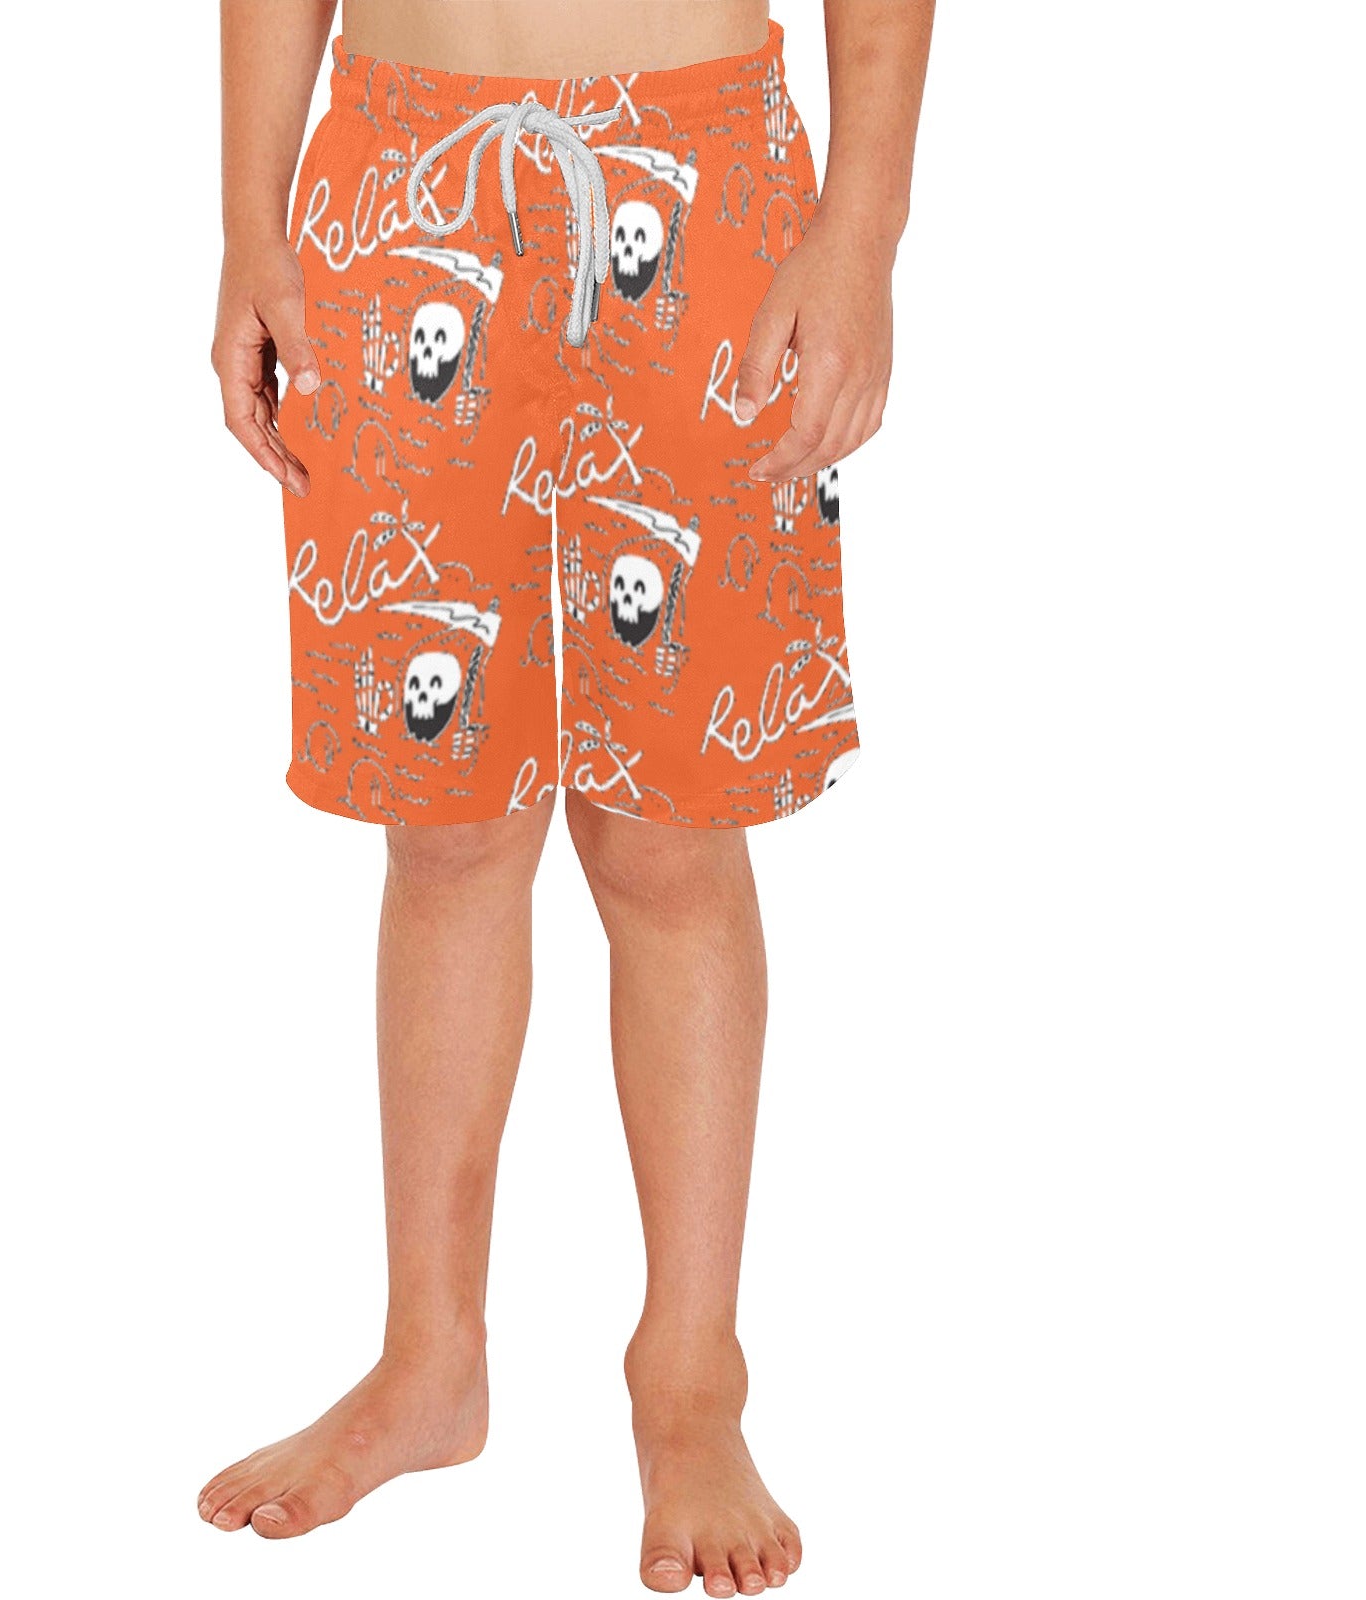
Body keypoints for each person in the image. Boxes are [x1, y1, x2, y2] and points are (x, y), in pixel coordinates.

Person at [199, 0, 932, 1591]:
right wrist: (251, 214)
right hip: (398, 178)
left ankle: (691, 1379)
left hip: (701, 173)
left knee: (670, 836)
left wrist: (862, 230)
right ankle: (429, 1361)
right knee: (443, 823)